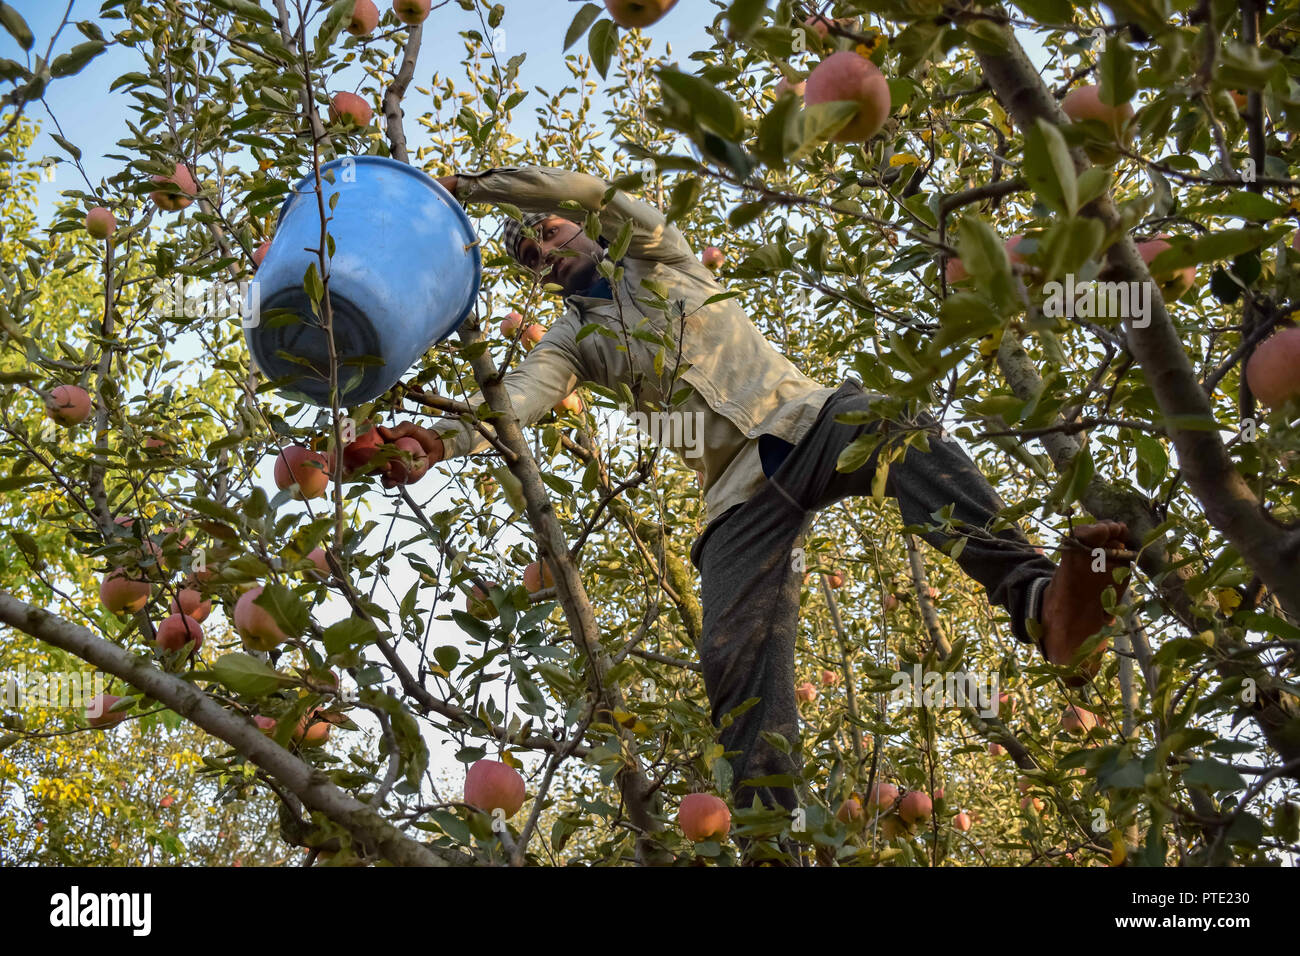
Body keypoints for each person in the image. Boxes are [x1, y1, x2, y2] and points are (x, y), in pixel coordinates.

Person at [384, 165, 1131, 862]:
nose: (541, 248)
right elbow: (518, 400)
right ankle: (775, 846)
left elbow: (601, 195)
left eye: (546, 231)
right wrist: (438, 439)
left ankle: (1040, 604)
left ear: (574, 226)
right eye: (528, 255)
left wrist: (483, 188)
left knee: (898, 429)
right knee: (731, 654)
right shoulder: (575, 337)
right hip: (736, 493)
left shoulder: (660, 256)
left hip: (808, 422)